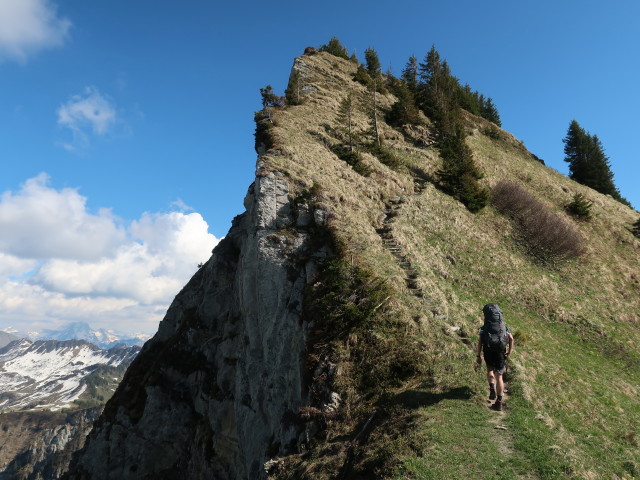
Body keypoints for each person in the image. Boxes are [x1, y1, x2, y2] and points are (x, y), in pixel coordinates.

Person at [476, 303, 514, 411]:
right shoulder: (504, 327)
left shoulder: (484, 328)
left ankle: (492, 388)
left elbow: (480, 343)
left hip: (488, 351)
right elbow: (511, 338)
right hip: (500, 352)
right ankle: (499, 402)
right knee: (499, 376)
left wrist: (478, 356)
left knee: (490, 370)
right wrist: (509, 352)